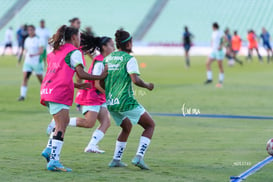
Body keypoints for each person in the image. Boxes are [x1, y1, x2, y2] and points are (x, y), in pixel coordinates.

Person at [40, 25, 108, 172]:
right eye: (78, 36)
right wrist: (100, 77)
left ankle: (48, 150)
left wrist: (77, 86)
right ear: (73, 38)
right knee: (61, 127)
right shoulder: (74, 52)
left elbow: (57, 75)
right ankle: (54, 161)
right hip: (60, 94)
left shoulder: (54, 51)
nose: (79, 40)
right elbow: (82, 73)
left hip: (47, 90)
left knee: (62, 123)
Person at [45, 36, 115, 153]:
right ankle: (56, 123)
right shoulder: (99, 62)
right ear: (104, 47)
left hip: (99, 96)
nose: (114, 48)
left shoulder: (104, 59)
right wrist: (110, 95)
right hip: (92, 96)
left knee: (106, 122)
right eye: (111, 45)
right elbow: (97, 84)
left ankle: (91, 146)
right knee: (88, 123)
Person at [103, 29, 155, 170]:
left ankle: (116, 160)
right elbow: (135, 79)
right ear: (128, 44)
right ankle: (139, 157)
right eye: (131, 42)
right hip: (125, 101)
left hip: (111, 103)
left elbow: (101, 81)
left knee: (126, 127)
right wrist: (147, 85)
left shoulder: (108, 58)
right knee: (150, 125)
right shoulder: (129, 59)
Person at [18, 25, 44, 101]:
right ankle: (22, 96)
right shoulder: (27, 40)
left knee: (41, 80)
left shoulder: (38, 39)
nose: (30, 32)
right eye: (29, 30)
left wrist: (34, 54)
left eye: (31, 30)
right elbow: (26, 50)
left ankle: (46, 94)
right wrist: (24, 55)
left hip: (36, 62)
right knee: (25, 77)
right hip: (28, 62)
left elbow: (41, 51)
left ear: (34, 30)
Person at [204, 22, 225, 88]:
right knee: (207, 63)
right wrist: (212, 44)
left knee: (220, 65)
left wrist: (221, 46)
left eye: (212, 27)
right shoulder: (213, 33)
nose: (211, 28)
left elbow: (225, 39)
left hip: (219, 51)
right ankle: (209, 79)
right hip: (214, 51)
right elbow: (212, 40)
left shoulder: (220, 32)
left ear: (214, 27)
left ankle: (220, 80)